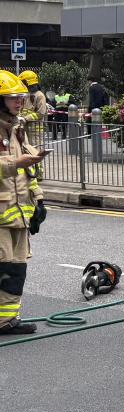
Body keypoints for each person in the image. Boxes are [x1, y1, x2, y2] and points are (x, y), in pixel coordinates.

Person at [0, 70, 47, 335]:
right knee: (3, 269)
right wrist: (15, 163)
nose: (20, 102)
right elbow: (16, 165)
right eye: (13, 98)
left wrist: (38, 200)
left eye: (21, 97)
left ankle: (6, 320)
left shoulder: (17, 129)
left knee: (15, 271)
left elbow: (28, 171)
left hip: (18, 216)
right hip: (1, 218)